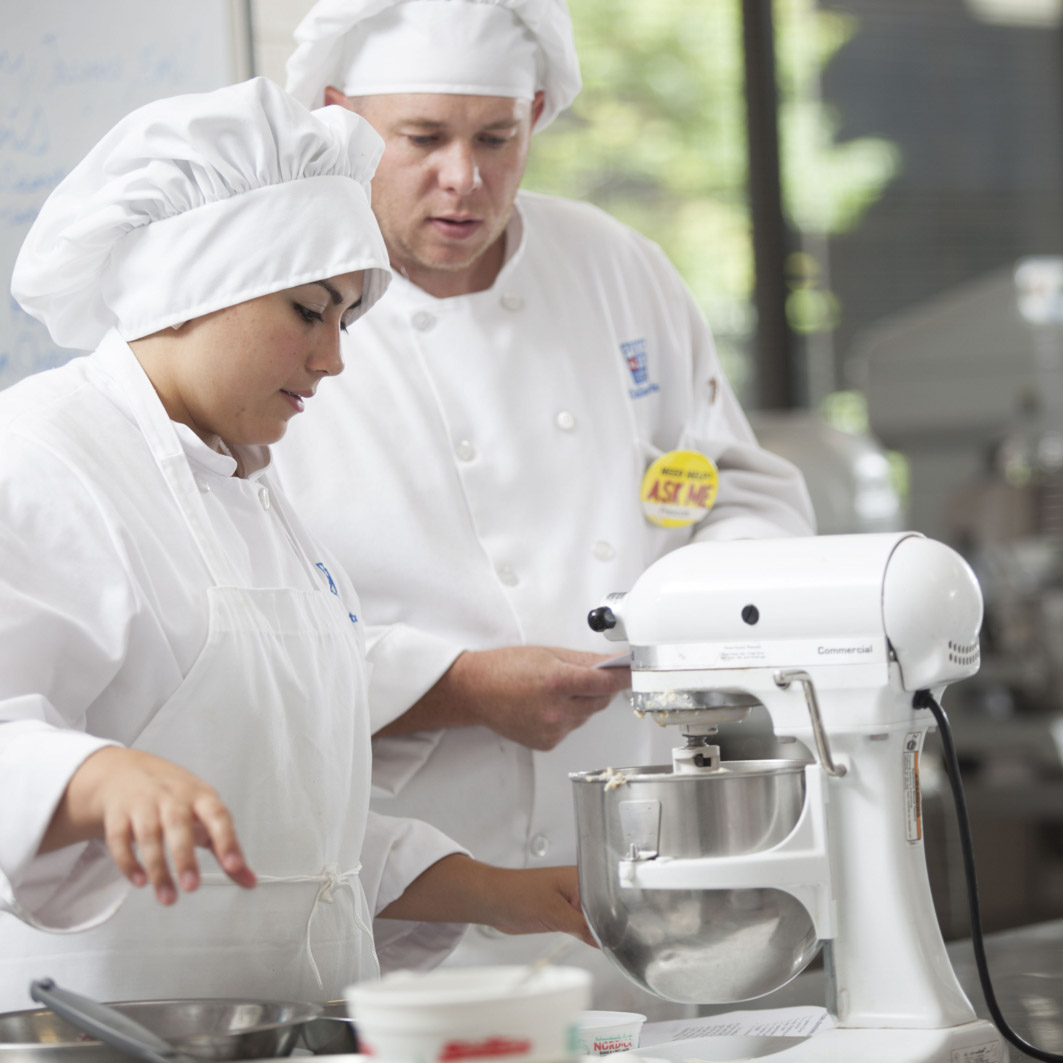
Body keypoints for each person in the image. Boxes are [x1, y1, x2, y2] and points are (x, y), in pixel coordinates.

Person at [0, 76, 593, 1013]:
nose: (333, 358)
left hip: (281, 1027)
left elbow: (292, 831)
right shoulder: (39, 459)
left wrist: (509, 894)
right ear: (194, 289)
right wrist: (92, 774)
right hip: (94, 1029)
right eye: (309, 311)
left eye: (347, 318)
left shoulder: (250, 492)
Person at [274, 0, 816, 1010]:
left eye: (497, 137)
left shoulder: (612, 266)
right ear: (343, 119)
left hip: (630, 879)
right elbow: (246, 630)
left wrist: (693, 623)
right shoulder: (284, 306)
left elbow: (737, 488)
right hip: (400, 895)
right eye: (423, 138)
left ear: (534, 114)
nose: (464, 179)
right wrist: (457, 683)